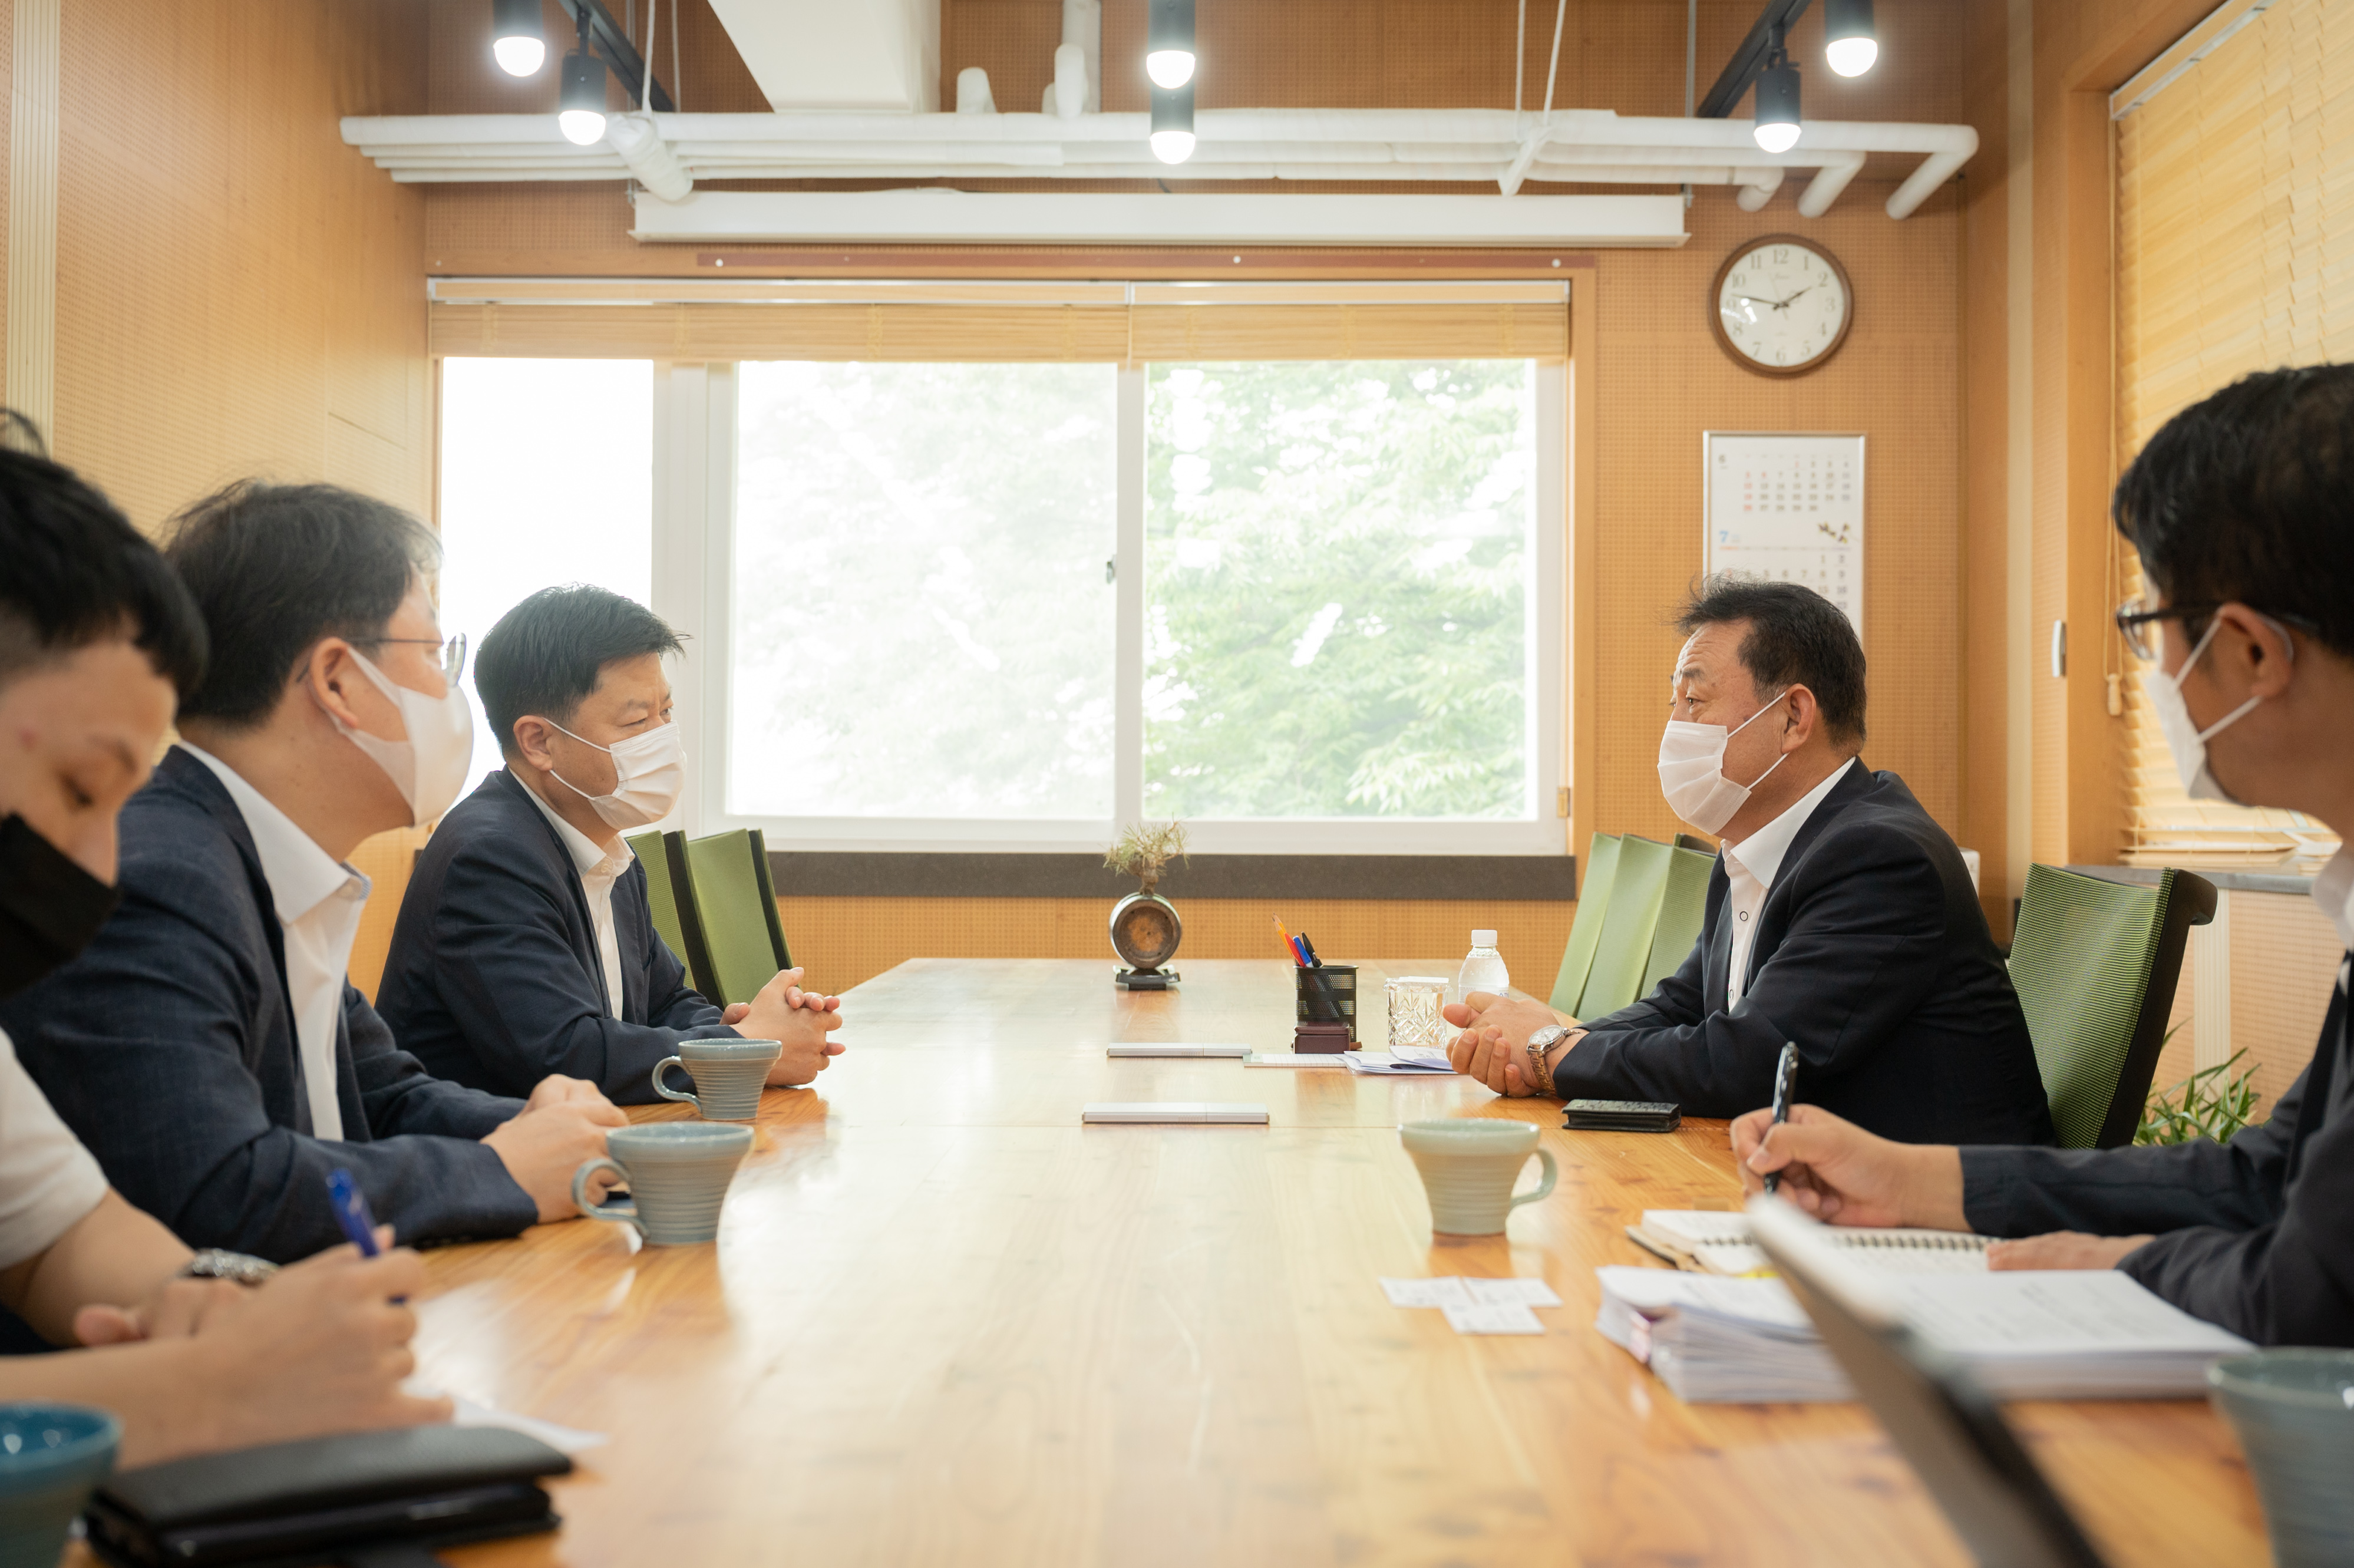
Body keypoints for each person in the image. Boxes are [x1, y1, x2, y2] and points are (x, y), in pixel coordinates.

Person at [1736, 366, 2354, 1346]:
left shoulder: (1871, 846)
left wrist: (2127, 1264)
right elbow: (2268, 1176)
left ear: (2250, 652)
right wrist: (1909, 1179)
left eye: (2151, 629)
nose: (2151, 677)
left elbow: (2313, 1293)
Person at [0, 480, 628, 1263]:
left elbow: (384, 1093)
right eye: (436, 654)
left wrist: (544, 1128)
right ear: (337, 682)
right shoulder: (165, 872)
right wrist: (500, 1165)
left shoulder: (267, 861)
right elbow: (219, 1187)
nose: (448, 688)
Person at [0, 427, 444, 1465]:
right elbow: (218, 1184)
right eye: (79, 788)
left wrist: (219, 1311)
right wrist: (197, 1392)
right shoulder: (184, 870)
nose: (102, 866)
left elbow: (60, 1236)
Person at [1445, 576, 2055, 1146]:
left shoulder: (1879, 858)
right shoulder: (1755, 845)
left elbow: (1749, 1061)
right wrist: (1531, 1047)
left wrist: (1552, 1051)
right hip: (1811, 1191)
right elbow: (1681, 1008)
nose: (1674, 726)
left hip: (1947, 1230)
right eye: (1673, 702)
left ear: (1792, 718)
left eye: (1693, 700)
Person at [377, 584, 843, 1102]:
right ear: (539, 742)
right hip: (488, 1165)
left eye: (665, 713)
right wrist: (743, 1046)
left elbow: (665, 1002)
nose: (662, 736)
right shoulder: (489, 857)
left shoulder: (605, 847)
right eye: (636, 721)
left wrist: (734, 1028)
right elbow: (566, 1056)